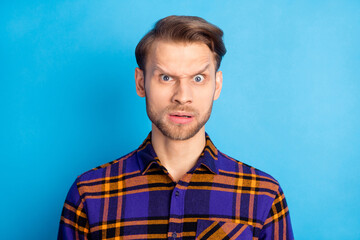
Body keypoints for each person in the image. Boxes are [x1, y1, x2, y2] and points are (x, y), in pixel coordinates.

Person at [58, 15, 294, 240]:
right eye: (166, 78)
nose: (182, 97)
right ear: (141, 83)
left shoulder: (264, 195)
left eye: (198, 78)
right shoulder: (89, 194)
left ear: (217, 85)